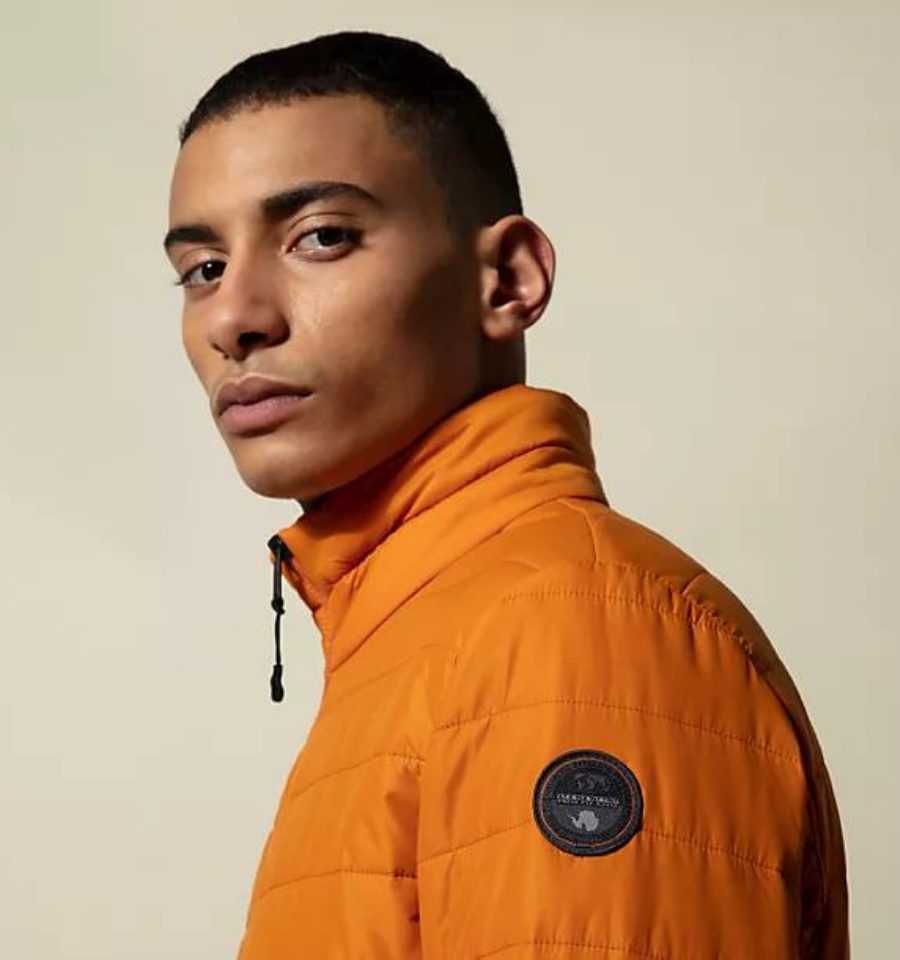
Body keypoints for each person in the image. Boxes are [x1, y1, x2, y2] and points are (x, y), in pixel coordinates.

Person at [163, 29, 849, 960]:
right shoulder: (427, 632)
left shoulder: (571, 629)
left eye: (322, 237)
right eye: (203, 269)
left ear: (509, 280)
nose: (235, 319)